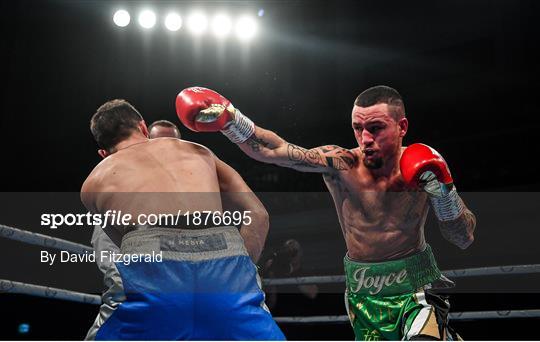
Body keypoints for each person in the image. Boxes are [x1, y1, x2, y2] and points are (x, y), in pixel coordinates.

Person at [175, 85, 477, 340]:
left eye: (376, 128)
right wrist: (231, 119)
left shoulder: (422, 168)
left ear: (402, 127)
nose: (365, 138)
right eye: (358, 129)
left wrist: (443, 192)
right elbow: (272, 150)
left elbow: (461, 237)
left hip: (417, 289)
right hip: (363, 293)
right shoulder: (341, 165)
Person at [81, 99, 284, 340]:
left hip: (153, 264)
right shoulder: (198, 150)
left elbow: (125, 247)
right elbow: (257, 214)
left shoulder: (93, 184)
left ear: (103, 153)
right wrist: (239, 270)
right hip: (223, 257)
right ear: (144, 128)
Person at [86, 119, 182, 340]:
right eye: (158, 144)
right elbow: (118, 272)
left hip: (177, 293)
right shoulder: (122, 183)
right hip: (138, 286)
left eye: (172, 144)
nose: (165, 151)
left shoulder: (190, 181)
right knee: (122, 294)